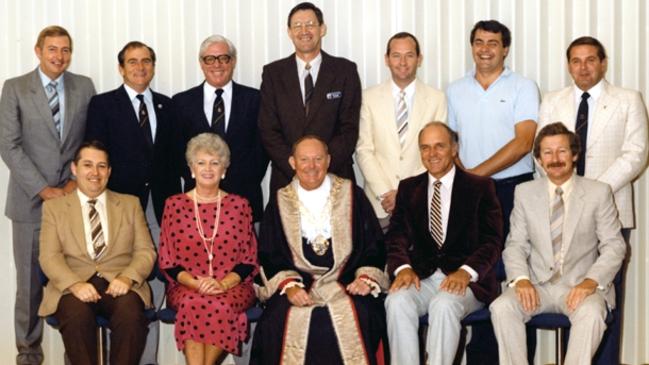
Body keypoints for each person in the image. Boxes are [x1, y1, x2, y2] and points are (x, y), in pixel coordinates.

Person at [537, 37, 648, 364]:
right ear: (568, 64)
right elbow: (542, 152)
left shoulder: (628, 99)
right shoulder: (552, 101)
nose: (582, 67)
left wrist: (591, 193)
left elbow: (636, 154)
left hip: (610, 208)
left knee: (604, 295)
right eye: (575, 60)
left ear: (603, 63)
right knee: (569, 293)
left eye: (590, 60)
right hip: (560, 213)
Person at [490, 122, 626, 365]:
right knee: (502, 308)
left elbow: (614, 246)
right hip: (536, 285)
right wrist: (521, 280)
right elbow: (515, 245)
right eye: (547, 152)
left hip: (580, 286)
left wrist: (590, 282)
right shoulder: (524, 192)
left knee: (593, 314)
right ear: (539, 159)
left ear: (574, 155)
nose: (555, 158)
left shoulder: (599, 192)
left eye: (562, 151)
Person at [0, 25, 96, 364]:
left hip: (73, 202)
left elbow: (88, 142)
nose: (60, 56)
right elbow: (9, 146)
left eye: (65, 49)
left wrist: (72, 186)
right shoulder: (14, 88)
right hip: (29, 204)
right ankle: (28, 355)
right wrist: (44, 189)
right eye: (52, 49)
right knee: (29, 288)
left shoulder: (84, 87)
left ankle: (77, 356)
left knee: (76, 280)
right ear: (38, 51)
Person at [445, 20, 539, 362]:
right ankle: (482, 355)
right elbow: (449, 144)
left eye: (493, 43)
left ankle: (516, 356)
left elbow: (524, 142)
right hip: (470, 192)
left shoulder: (523, 87)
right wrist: (465, 181)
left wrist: (474, 175)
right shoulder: (454, 89)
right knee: (479, 272)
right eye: (479, 42)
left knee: (515, 272)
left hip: (513, 189)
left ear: (505, 49)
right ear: (472, 46)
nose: (485, 49)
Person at [251, 136, 388, 365]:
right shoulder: (279, 201)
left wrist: (365, 279)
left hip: (347, 282)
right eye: (304, 159)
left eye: (318, 159)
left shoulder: (353, 194)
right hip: (298, 283)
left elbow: (373, 247)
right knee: (276, 320)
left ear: (328, 161)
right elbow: (269, 254)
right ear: (293, 162)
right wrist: (289, 286)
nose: (311, 166)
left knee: (363, 313)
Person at [84, 41, 181, 364]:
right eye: (132, 62)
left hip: (160, 211)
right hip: (119, 212)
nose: (140, 67)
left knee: (150, 288)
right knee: (120, 289)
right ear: (121, 68)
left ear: (153, 66)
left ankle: (148, 360)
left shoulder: (168, 107)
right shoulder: (102, 105)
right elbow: (96, 160)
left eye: (146, 61)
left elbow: (175, 161)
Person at [384, 122, 503, 365]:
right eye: (425, 148)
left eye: (439, 146)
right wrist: (403, 268)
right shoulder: (408, 188)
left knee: (444, 305)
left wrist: (466, 272)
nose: (432, 154)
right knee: (396, 301)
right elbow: (395, 237)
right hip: (423, 278)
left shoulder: (481, 187)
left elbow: (492, 241)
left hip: (467, 282)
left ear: (454, 148)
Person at [38, 141, 156, 365]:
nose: (95, 172)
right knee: (75, 317)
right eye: (88, 165)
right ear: (75, 169)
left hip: (119, 283)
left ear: (109, 171)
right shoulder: (54, 208)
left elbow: (145, 251)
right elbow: (49, 256)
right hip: (74, 285)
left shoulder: (130, 204)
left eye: (102, 166)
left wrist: (127, 277)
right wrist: (74, 284)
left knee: (131, 317)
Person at [158, 133, 258, 365]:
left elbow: (248, 260)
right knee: (195, 303)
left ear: (224, 169)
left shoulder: (239, 205)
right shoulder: (174, 205)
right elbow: (168, 261)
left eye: (215, 163)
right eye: (201, 162)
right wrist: (196, 283)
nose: (208, 168)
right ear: (191, 169)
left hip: (233, 286)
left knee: (219, 303)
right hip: (186, 287)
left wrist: (222, 284)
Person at [258, 2, 362, 194]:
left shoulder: (345, 71)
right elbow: (268, 129)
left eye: (310, 24)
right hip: (287, 177)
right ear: (289, 32)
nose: (304, 30)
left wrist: (321, 166)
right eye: (297, 26)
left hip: (336, 176)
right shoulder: (273, 73)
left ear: (322, 29)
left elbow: (349, 128)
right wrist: (297, 165)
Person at [356, 32, 447, 230]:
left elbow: (437, 154)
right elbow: (364, 150)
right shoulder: (368, 98)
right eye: (396, 55)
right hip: (379, 204)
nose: (402, 62)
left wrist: (405, 193)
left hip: (421, 201)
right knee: (377, 260)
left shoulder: (437, 98)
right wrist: (385, 193)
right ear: (386, 59)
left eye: (409, 55)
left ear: (419, 59)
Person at [173, 35, 268, 223]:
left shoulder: (255, 99)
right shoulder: (181, 103)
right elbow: (176, 152)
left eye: (223, 58)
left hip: (245, 198)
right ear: (201, 63)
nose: (217, 64)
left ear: (233, 61)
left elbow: (263, 148)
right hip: (197, 199)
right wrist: (201, 179)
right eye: (210, 59)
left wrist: (246, 178)